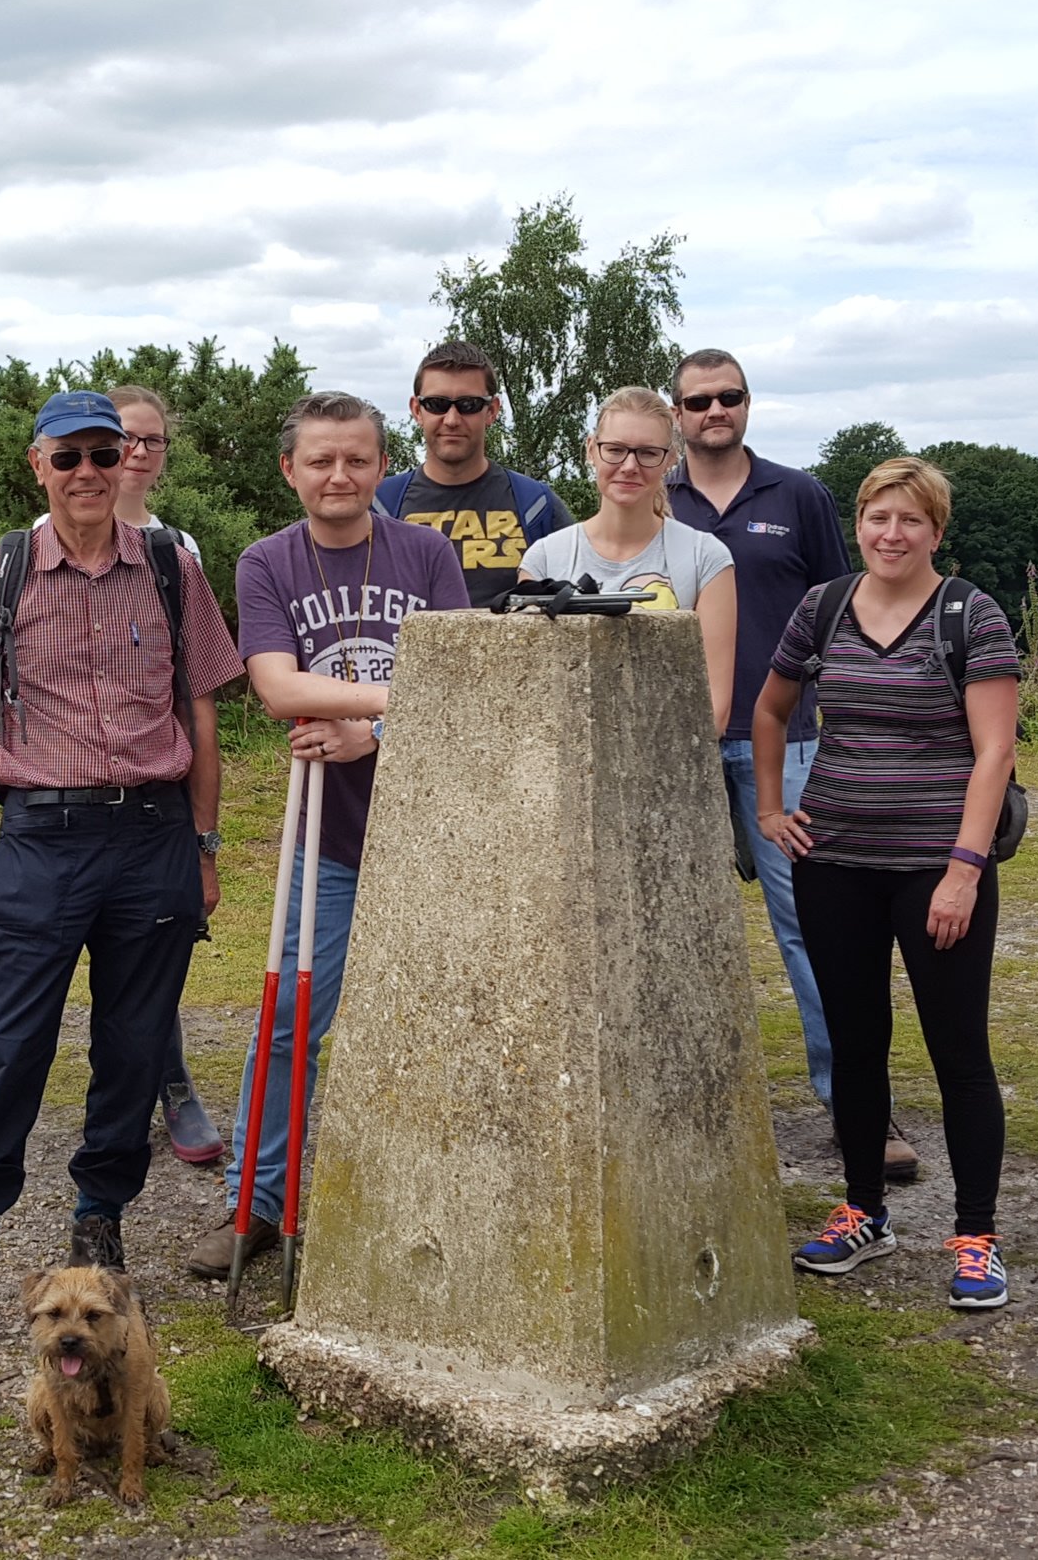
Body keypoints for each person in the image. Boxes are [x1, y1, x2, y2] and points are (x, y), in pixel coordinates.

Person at [0, 390, 245, 1364]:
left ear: (126, 461)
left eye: (103, 454)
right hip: (39, 839)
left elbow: (203, 716)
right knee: (11, 1047)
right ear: (37, 465)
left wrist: (204, 850)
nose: (88, 473)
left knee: (133, 1048)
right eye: (68, 457)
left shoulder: (173, 569)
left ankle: (99, 1228)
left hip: (153, 838)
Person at [179, 393, 469, 1279]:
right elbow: (275, 686)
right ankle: (257, 1206)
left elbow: (462, 681)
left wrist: (368, 733)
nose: (339, 476)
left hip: (431, 832)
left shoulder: (426, 553)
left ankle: (439, 1199)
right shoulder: (268, 562)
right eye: (321, 461)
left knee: (441, 1020)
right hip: (326, 833)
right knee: (288, 1021)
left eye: (356, 460)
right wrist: (390, 702)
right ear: (291, 471)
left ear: (383, 467)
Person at [753, 457, 1022, 1310]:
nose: (891, 535)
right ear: (860, 524)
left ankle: (976, 1236)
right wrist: (769, 807)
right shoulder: (824, 606)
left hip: (935, 869)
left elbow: (995, 752)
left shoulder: (969, 614)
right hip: (835, 861)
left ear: (936, 532)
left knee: (958, 1054)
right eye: (877, 518)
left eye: (910, 521)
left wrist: (964, 872)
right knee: (857, 1047)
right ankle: (863, 1212)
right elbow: (770, 707)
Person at [663, 347, 881, 1166]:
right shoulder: (651, 492)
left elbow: (845, 609)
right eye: (698, 401)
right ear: (676, 413)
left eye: (730, 397)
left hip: (786, 744)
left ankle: (857, 1103)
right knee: (672, 926)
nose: (715, 411)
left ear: (748, 405)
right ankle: (682, 1106)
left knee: (811, 928)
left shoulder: (799, 495)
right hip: (670, 748)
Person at [33, 384, 226, 1168]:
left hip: (156, 804)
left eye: (147, 442)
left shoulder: (178, 557)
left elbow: (195, 698)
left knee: (151, 965)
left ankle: (169, 1083)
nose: (134, 454)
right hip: (58, 813)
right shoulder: (26, 554)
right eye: (124, 440)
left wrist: (202, 834)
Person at [519, 387, 737, 721]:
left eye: (648, 453)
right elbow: (532, 691)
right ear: (592, 450)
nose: (630, 466)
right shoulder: (544, 559)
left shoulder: (706, 558)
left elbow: (715, 709)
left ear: (671, 459)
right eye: (615, 450)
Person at [375, 339, 568, 607]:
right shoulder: (378, 505)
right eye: (437, 404)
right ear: (417, 410)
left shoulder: (537, 505)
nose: (452, 420)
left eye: (468, 405)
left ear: (492, 411)